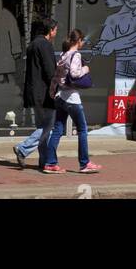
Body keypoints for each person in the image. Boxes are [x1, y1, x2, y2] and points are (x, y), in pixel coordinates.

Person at [42, 29, 101, 175]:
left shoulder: (63, 55)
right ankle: (85, 163)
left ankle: (50, 163)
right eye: (82, 41)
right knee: (82, 130)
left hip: (60, 96)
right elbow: (75, 74)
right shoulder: (76, 55)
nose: (82, 43)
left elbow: (56, 77)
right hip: (71, 98)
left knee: (57, 130)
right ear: (79, 41)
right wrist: (85, 69)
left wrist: (52, 93)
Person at [14, 17, 59, 170]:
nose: (56, 33)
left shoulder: (33, 44)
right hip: (45, 93)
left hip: (34, 92)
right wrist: (56, 86)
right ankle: (23, 148)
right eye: (55, 30)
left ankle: (44, 160)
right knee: (48, 127)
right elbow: (49, 71)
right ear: (50, 30)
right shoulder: (45, 45)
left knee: (42, 126)